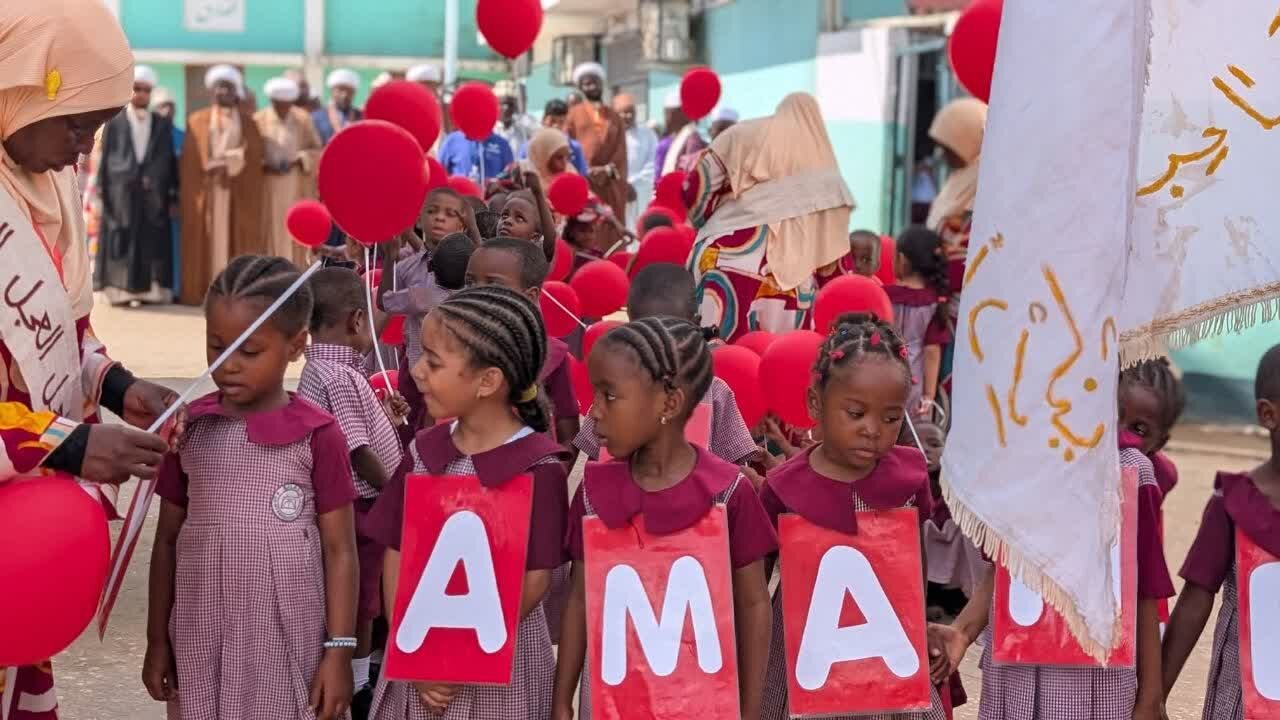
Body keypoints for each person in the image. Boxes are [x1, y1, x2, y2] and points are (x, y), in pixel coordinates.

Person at [0, 5, 182, 715]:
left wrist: (117, 386)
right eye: (77, 125)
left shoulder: (44, 185)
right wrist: (70, 444)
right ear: (20, 90)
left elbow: (65, 332)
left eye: (99, 129)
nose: (83, 153)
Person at [144, 256, 358, 720]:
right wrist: (157, 640)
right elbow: (166, 541)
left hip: (286, 641)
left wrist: (339, 653)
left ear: (296, 346)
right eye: (217, 347)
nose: (229, 366)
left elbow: (340, 549)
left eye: (250, 351)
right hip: (200, 637)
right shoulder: (189, 431)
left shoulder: (318, 435)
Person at [552, 316, 776, 719]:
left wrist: (749, 709)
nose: (595, 412)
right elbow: (581, 598)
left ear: (668, 405)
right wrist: (561, 700)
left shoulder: (729, 493)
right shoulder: (593, 491)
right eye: (595, 395)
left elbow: (754, 603)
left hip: (702, 705)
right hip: (609, 705)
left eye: (610, 396)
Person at [364, 285, 570, 720]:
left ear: (488, 381)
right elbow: (396, 553)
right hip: (419, 658)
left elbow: (536, 580)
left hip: (500, 664)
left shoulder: (539, 467)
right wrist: (413, 644)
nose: (417, 371)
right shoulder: (423, 451)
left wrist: (459, 655)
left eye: (434, 361)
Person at [757, 314, 950, 720]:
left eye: (890, 418)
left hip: (885, 648)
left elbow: (914, 564)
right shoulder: (784, 487)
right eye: (856, 413)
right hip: (806, 651)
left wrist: (918, 625)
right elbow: (757, 584)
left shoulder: (908, 479)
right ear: (816, 403)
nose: (872, 430)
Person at [934, 436, 1175, 720]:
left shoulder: (1129, 467)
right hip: (1016, 672)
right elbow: (1005, 566)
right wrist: (962, 631)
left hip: (1098, 679)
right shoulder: (1011, 459)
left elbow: (1143, 589)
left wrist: (1151, 696)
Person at [298, 267, 405, 713]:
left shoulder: (323, 371)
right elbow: (357, 452)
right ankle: (359, 687)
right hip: (362, 506)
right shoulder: (338, 377)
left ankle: (364, 673)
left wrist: (386, 419)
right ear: (357, 320)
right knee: (362, 601)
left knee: (368, 598)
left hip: (358, 504)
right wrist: (398, 495)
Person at [1161, 345, 1279, 720]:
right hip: (1241, 701)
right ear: (1268, 414)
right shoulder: (1233, 503)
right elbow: (1196, 598)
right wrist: (1154, 696)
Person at [684, 92, 855, 342]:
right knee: (778, 356)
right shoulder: (828, 177)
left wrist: (712, 219)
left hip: (722, 260)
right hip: (792, 282)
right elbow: (834, 260)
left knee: (717, 352)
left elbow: (695, 189)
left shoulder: (742, 136)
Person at [573, 263, 757, 466]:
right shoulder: (613, 389)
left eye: (671, 332)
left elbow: (734, 465)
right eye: (646, 332)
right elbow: (596, 464)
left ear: (695, 323)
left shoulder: (714, 391)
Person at [464, 237, 579, 448]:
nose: (476, 292)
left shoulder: (551, 355)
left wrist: (553, 467)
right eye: (470, 282)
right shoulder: (454, 348)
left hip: (530, 463)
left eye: (493, 284)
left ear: (530, 296)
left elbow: (567, 431)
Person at [179, 64, 266, 305]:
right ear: (211, 91)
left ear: (236, 92)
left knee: (236, 238)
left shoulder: (248, 124)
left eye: (228, 87)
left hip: (237, 191)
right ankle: (205, 289)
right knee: (206, 238)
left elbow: (254, 156)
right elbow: (190, 160)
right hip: (208, 190)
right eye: (218, 87)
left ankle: (234, 291)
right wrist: (207, 168)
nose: (222, 92)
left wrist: (228, 162)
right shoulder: (197, 120)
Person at [94, 64, 178, 306]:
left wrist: (167, 190)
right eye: (137, 88)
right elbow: (107, 159)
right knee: (121, 238)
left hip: (152, 194)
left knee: (150, 240)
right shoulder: (114, 121)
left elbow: (167, 160)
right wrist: (104, 190)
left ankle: (149, 293)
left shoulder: (161, 124)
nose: (141, 94)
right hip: (121, 192)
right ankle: (120, 293)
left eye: (146, 90)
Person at [255, 76, 323, 267]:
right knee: (270, 231)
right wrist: (265, 164)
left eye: (287, 104)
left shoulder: (303, 119)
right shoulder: (259, 119)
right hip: (267, 187)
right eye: (279, 104)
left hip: (296, 186)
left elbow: (316, 150)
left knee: (296, 230)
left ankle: (296, 273)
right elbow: (250, 154)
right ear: (272, 101)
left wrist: (298, 159)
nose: (283, 109)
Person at [886, 227, 952, 418]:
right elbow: (932, 352)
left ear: (901, 260)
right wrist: (929, 396)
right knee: (912, 432)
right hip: (913, 384)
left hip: (880, 376)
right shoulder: (935, 302)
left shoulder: (884, 295)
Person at [926, 98, 987, 297]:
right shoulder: (960, 178)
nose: (942, 156)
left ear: (967, 141)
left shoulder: (986, 180)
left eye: (948, 148)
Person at [563, 62, 628, 220]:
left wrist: (606, 171)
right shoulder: (573, 114)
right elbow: (566, 147)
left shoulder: (615, 116)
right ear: (581, 87)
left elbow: (621, 151)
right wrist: (585, 171)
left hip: (609, 182)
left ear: (601, 84)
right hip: (583, 181)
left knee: (610, 225)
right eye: (587, 84)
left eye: (595, 82)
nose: (592, 87)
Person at [614, 93, 658, 230]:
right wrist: (622, 185)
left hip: (641, 192)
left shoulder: (648, 134)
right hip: (617, 192)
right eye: (623, 112)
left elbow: (653, 163)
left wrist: (633, 184)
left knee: (640, 229)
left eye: (630, 112)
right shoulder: (610, 136)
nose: (627, 116)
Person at [518, 99, 588, 176]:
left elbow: (581, 176)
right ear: (543, 120)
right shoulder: (528, 148)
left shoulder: (574, 148)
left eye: (561, 122)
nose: (556, 126)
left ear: (566, 124)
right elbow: (521, 175)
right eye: (552, 121)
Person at [655, 90, 706, 180]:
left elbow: (690, 174)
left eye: (668, 113)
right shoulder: (678, 137)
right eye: (665, 113)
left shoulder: (692, 139)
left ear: (682, 113)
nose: (666, 118)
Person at [438, 124, 514, 184]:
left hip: (490, 196)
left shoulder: (502, 144)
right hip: (460, 196)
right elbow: (440, 173)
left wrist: (496, 181)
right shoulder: (452, 140)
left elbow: (510, 174)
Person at [313, 68, 363, 145]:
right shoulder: (317, 117)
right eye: (340, 90)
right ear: (331, 90)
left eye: (349, 91)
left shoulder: (361, 117)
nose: (344, 95)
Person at [496, 91, 536, 156]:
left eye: (510, 104)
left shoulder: (523, 128)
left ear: (514, 107)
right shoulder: (491, 130)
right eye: (502, 104)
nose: (506, 108)